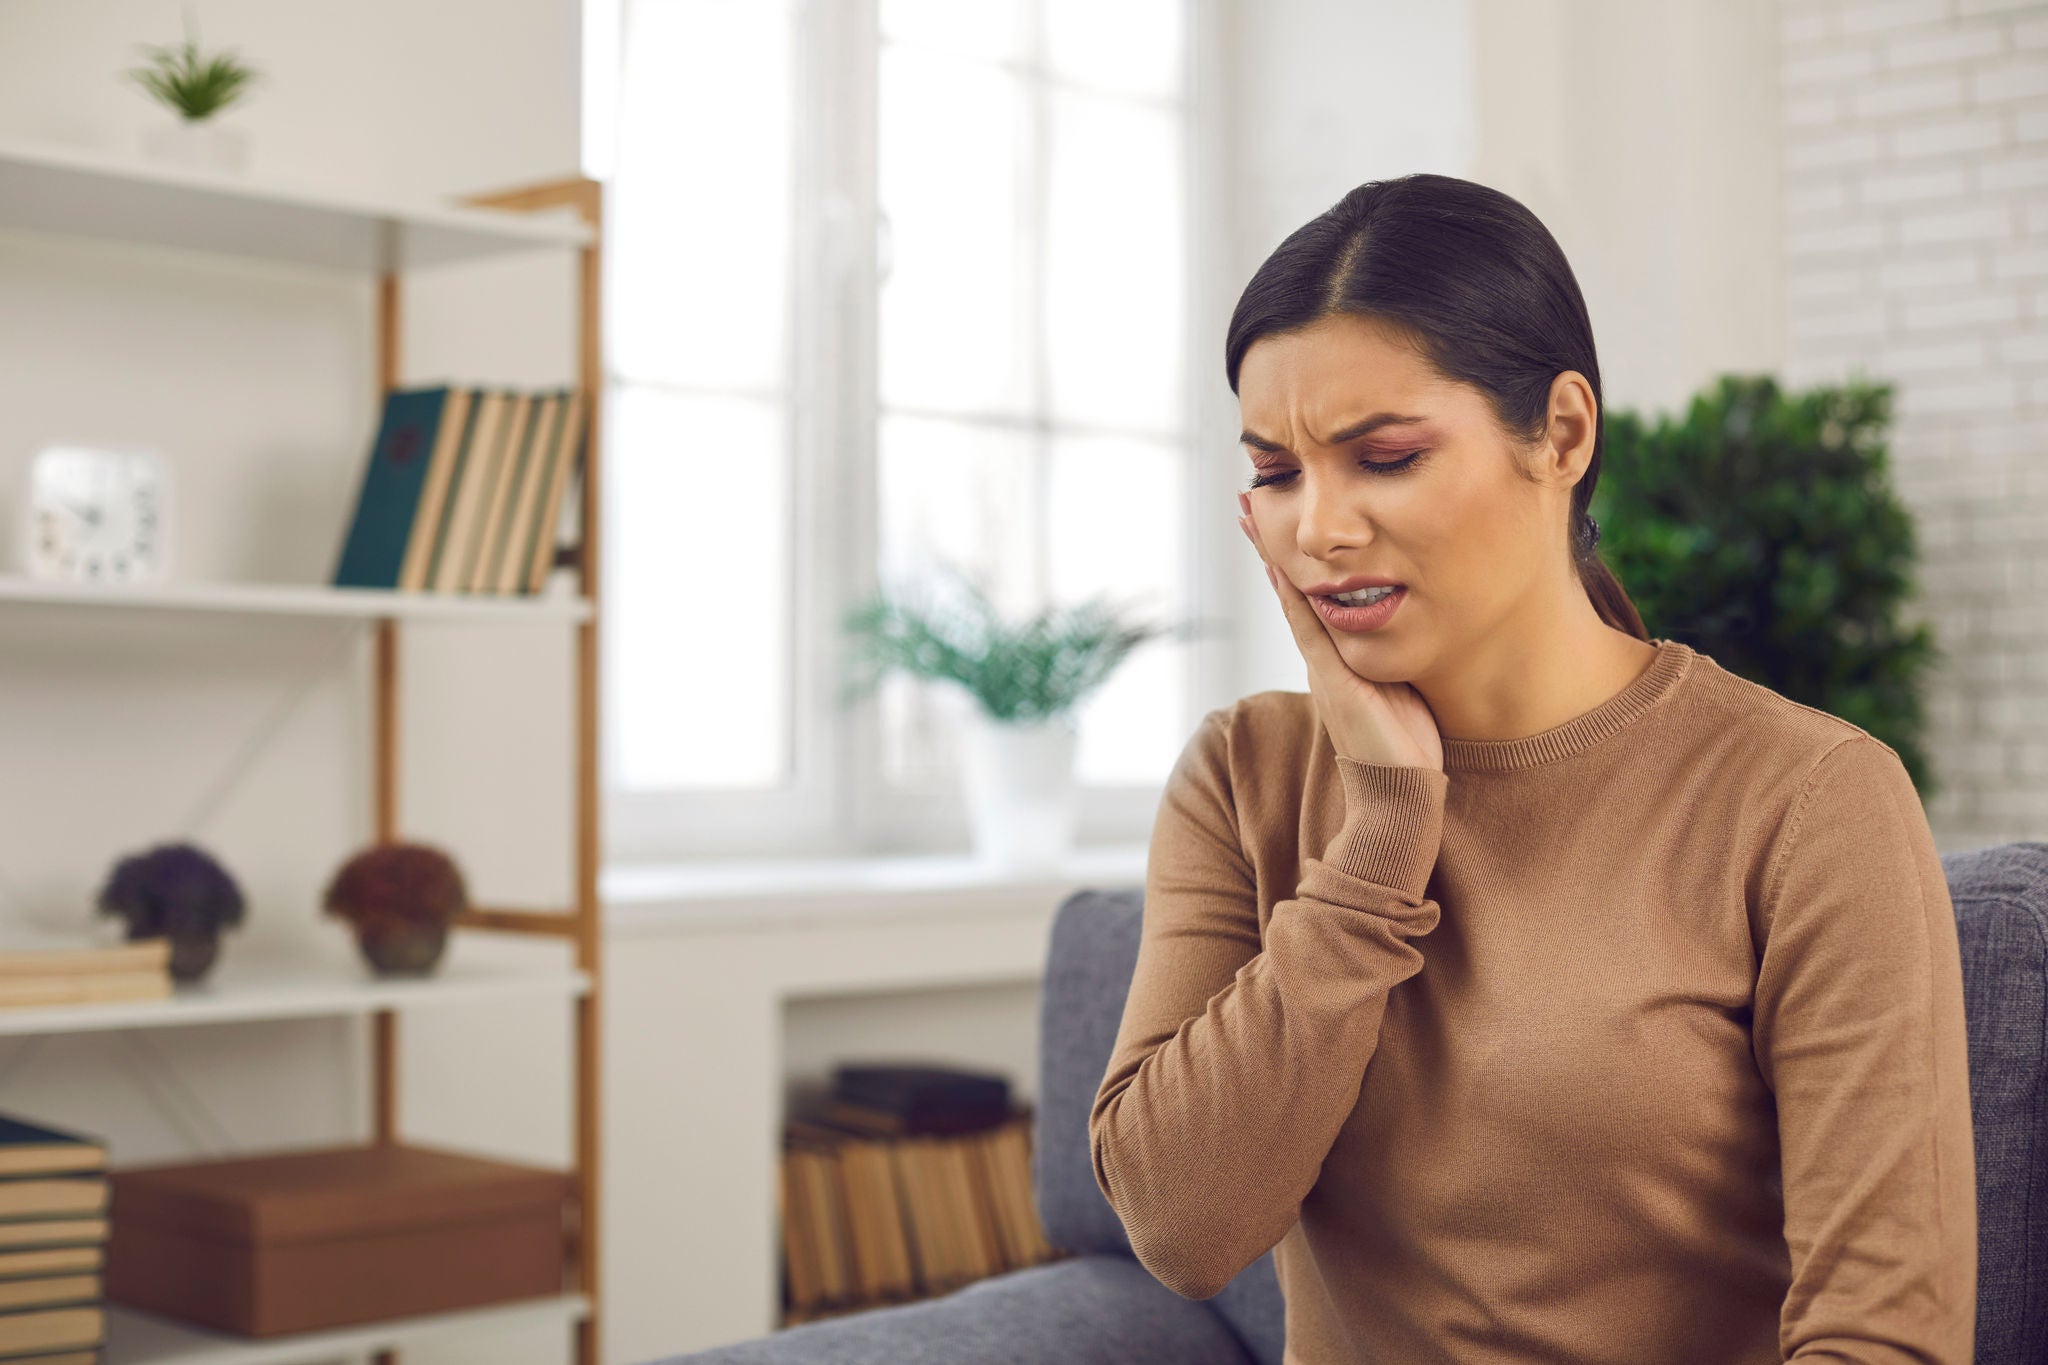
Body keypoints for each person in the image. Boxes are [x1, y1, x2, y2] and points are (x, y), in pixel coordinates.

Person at [1088, 173, 1976, 1363]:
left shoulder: (1806, 800)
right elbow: (1181, 1228)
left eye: (1384, 457)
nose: (1318, 530)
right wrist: (1376, 844)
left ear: (1560, 433)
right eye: (1277, 472)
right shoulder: (1241, 772)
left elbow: (1884, 1337)